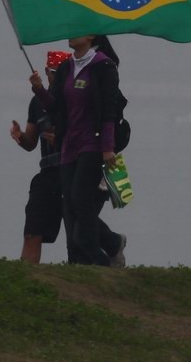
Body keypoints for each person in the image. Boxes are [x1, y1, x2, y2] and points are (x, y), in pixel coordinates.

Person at [30, 34, 127, 267]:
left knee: (79, 199)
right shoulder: (67, 67)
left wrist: (107, 149)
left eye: (77, 31)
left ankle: (95, 257)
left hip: (93, 145)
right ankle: (106, 247)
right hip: (69, 145)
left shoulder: (103, 66)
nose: (70, 35)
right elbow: (56, 106)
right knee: (70, 205)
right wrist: (40, 90)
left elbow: (108, 111)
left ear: (91, 37)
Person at [10, 50, 69, 264]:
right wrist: (20, 137)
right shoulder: (37, 104)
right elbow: (31, 142)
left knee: (80, 230)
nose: (59, 78)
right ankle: (27, 278)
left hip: (73, 170)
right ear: (47, 72)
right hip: (48, 171)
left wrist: (63, 141)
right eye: (55, 73)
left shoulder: (75, 99)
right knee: (33, 228)